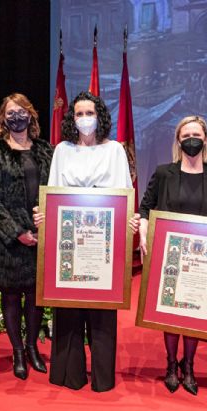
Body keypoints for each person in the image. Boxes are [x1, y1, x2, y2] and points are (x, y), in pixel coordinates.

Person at [43, 91, 139, 392]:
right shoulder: (62, 150)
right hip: (69, 241)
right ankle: (69, 374)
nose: (85, 119)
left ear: (101, 116)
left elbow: (124, 194)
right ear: (72, 118)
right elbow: (54, 194)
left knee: (101, 311)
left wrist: (130, 221)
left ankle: (102, 378)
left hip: (104, 244)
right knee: (68, 307)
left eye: (90, 113)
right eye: (79, 114)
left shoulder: (114, 151)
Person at [138, 115, 207, 395]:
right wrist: (143, 236)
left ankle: (188, 365)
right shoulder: (164, 172)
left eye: (197, 134)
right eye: (185, 135)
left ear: (205, 139)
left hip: (203, 259)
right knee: (170, 313)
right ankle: (170, 364)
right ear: (178, 141)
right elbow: (146, 209)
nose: (192, 139)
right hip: (170, 256)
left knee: (193, 313)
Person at [0, 93, 53, 380]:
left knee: (36, 296)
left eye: (22, 111)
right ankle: (17, 351)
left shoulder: (47, 150)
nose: (17, 117)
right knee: (10, 295)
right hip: (7, 239)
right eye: (11, 112)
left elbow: (56, 193)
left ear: (31, 115)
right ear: (2, 118)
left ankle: (33, 347)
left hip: (42, 234)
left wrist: (45, 225)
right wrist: (17, 232)